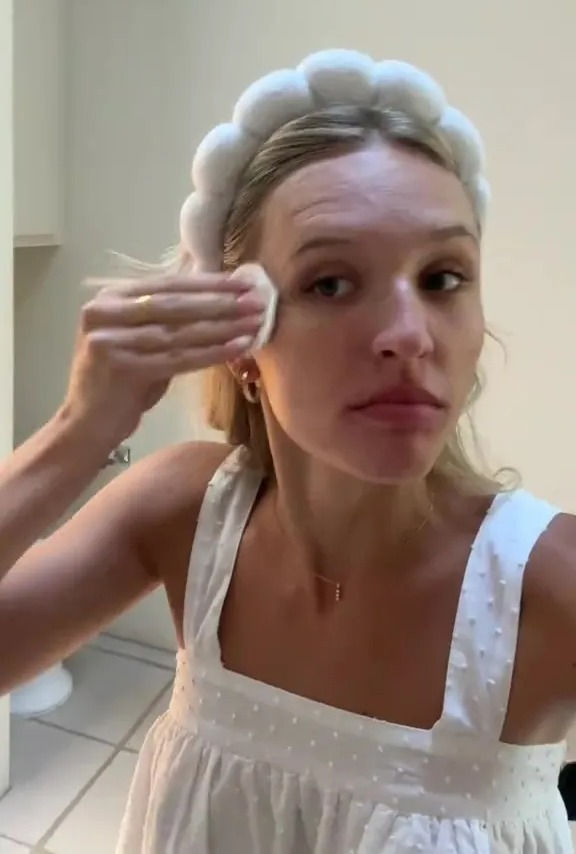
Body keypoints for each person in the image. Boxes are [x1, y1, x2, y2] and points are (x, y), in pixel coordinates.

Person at [0, 48, 574, 853]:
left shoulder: (548, 587)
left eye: (443, 278)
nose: (409, 336)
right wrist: (73, 436)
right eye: (331, 284)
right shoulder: (185, 513)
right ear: (239, 338)